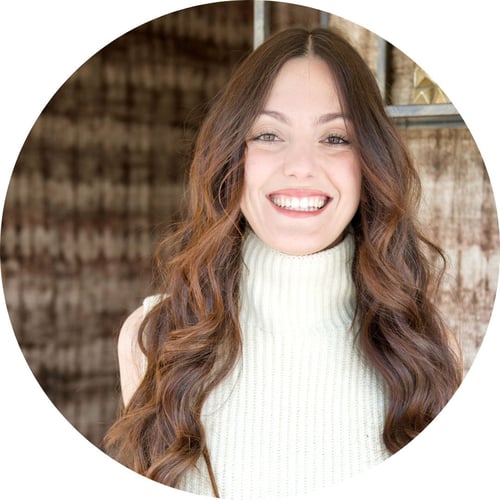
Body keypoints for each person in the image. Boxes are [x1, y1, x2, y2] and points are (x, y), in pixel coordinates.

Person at [104, 27, 463, 499]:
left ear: (371, 162)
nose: (300, 165)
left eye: (335, 137)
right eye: (269, 134)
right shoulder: (153, 338)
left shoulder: (428, 349)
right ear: (233, 156)